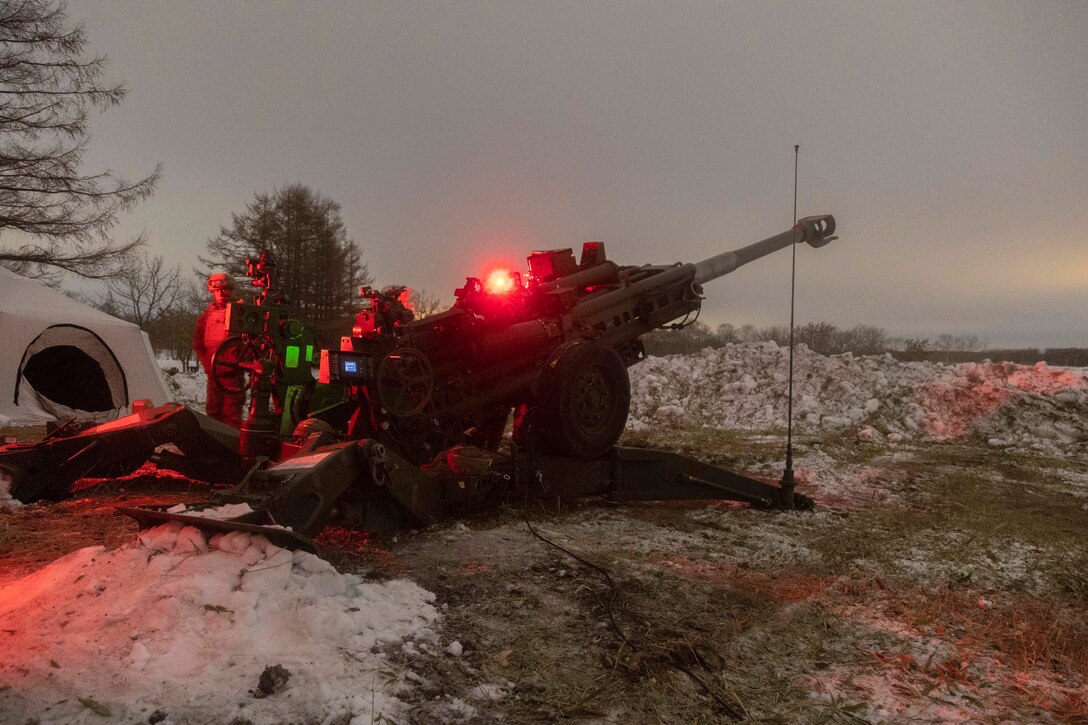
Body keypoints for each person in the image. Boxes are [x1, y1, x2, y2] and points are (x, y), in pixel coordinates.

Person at [193, 273, 244, 426]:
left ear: (231, 291)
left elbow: (250, 343)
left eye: (225, 290)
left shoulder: (241, 312)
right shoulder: (208, 314)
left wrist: (237, 362)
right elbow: (199, 342)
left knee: (231, 415)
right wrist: (208, 365)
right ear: (212, 292)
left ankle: (231, 444)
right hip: (213, 373)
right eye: (217, 290)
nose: (221, 294)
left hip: (232, 374)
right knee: (212, 411)